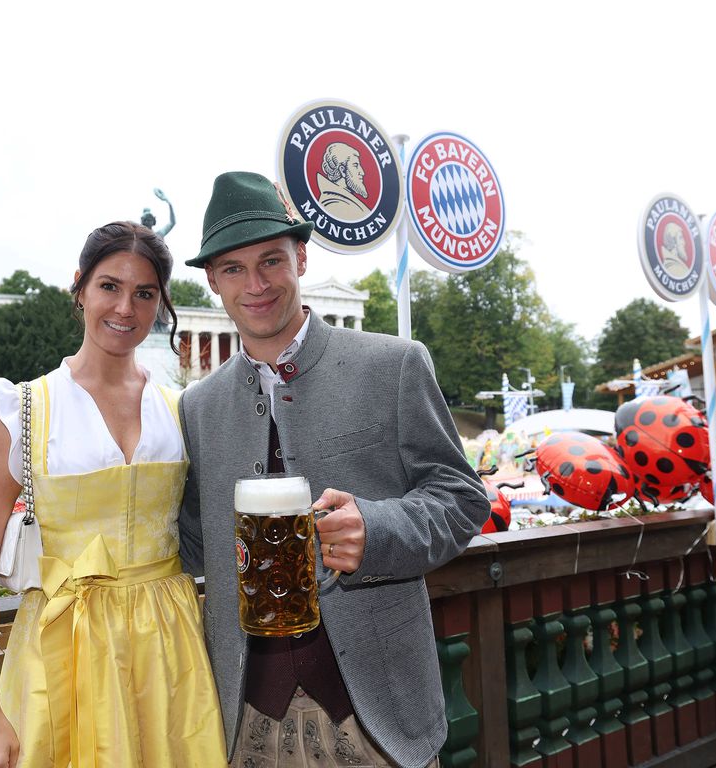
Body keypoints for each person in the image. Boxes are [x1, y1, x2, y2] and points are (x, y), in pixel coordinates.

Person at [178, 172, 490, 768]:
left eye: (271, 260)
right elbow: (192, 542)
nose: (257, 284)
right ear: (213, 281)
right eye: (235, 269)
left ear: (300, 255)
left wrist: (377, 528)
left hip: (378, 715)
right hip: (248, 719)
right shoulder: (197, 406)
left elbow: (461, 498)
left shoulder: (394, 365)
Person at [0, 221, 226, 768]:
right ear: (79, 288)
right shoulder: (22, 409)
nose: (126, 307)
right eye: (109, 286)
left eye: (144, 293)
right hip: (60, 650)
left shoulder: (179, 409)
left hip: (167, 652)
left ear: (161, 304)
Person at [317, 142, 372, 219]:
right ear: (342, 170)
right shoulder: (334, 204)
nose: (362, 172)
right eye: (355, 165)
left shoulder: (346, 200)